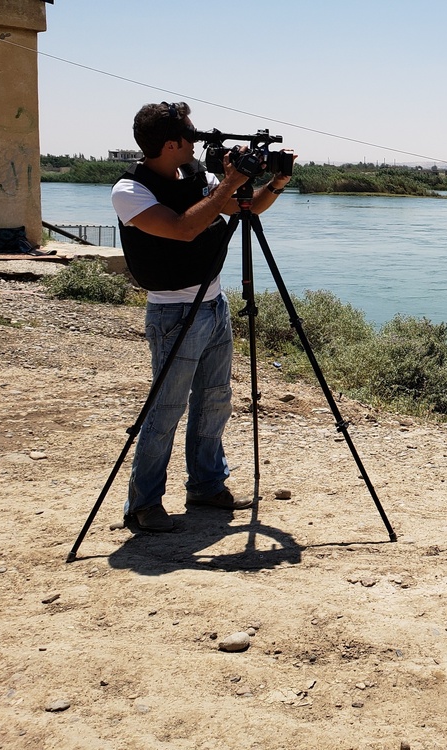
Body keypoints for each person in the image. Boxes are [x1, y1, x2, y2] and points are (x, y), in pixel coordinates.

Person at [111, 102, 292, 532]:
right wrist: (228, 181)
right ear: (171, 143)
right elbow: (182, 228)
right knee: (166, 408)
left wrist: (275, 183)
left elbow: (245, 210)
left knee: (214, 401)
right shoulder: (130, 190)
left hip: (214, 303)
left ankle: (207, 485)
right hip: (172, 310)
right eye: (192, 135)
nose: (198, 142)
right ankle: (144, 504)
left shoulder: (198, 178)